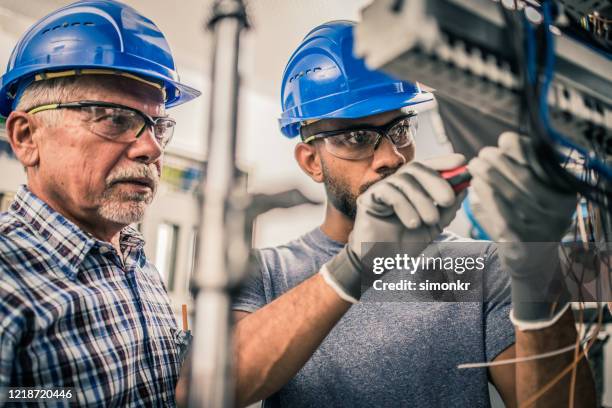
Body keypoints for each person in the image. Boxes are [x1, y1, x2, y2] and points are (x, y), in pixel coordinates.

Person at [230, 21, 595, 407]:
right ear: (311, 161)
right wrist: (354, 267)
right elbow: (204, 391)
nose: (392, 157)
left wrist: (540, 272)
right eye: (357, 138)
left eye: (401, 129)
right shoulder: (266, 273)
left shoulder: (483, 267)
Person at [0, 1, 200, 406]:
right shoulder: (8, 287)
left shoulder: (138, 265)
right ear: (26, 138)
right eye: (113, 117)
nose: (152, 148)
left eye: (158, 126)